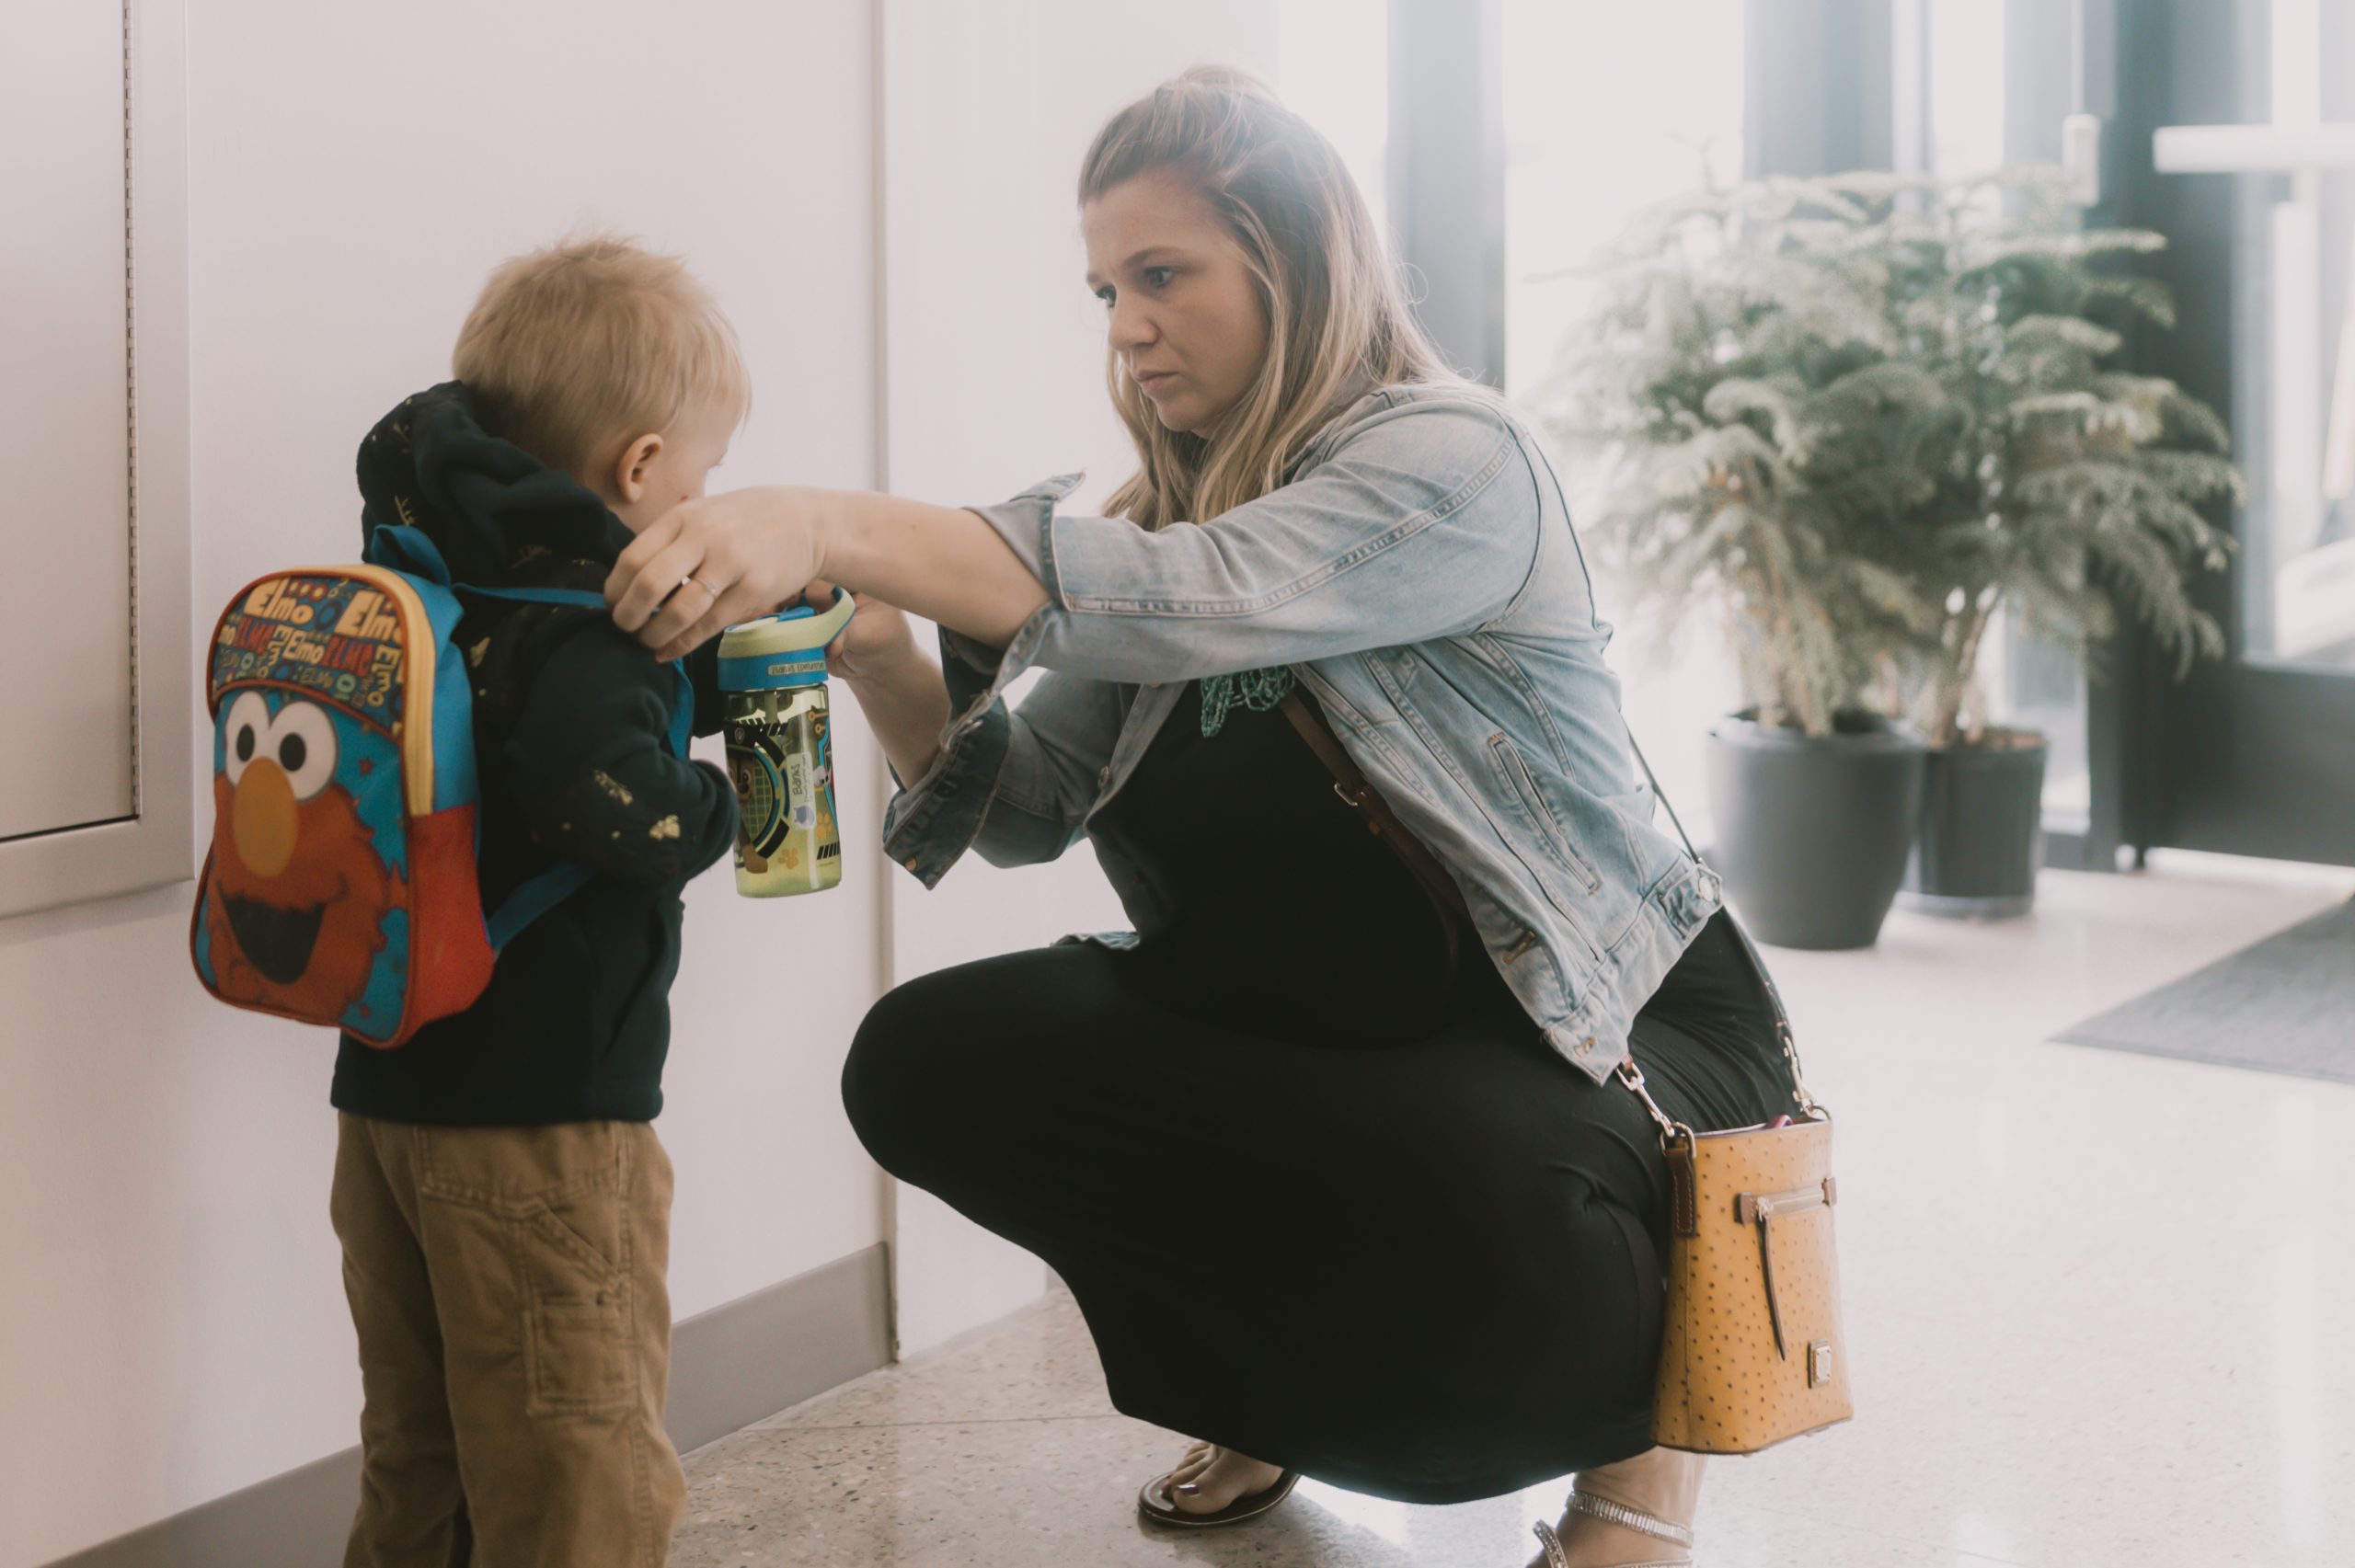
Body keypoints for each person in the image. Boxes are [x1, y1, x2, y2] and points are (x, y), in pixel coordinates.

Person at [606, 70, 1796, 1568]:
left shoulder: (1454, 462)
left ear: (1291, 262)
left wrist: (821, 517)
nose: (1123, 325)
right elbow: (1028, 808)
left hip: (1581, 1030)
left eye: (1162, 275)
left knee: (1463, 1176)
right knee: (932, 1059)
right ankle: (1268, 1379)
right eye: (1107, 285)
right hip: (1328, 1032)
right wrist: (880, 650)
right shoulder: (1163, 510)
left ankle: (1635, 1483)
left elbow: (1192, 597)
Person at [329, 235, 742, 1567]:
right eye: (703, 472)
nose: (705, 499)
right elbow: (617, 808)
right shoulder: (590, 627)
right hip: (545, 1125)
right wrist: (737, 805)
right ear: (639, 471)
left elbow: (541, 731)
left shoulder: (428, 569)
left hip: (391, 1091)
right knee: (580, 1463)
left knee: (425, 1453)